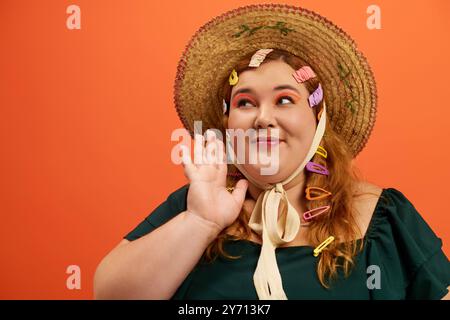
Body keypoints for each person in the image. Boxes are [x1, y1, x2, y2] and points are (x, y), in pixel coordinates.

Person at [93, 4, 450, 300]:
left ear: (318, 120)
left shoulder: (382, 216)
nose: (264, 118)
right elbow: (111, 296)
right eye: (246, 102)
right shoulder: (193, 207)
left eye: (284, 100)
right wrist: (200, 222)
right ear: (229, 125)